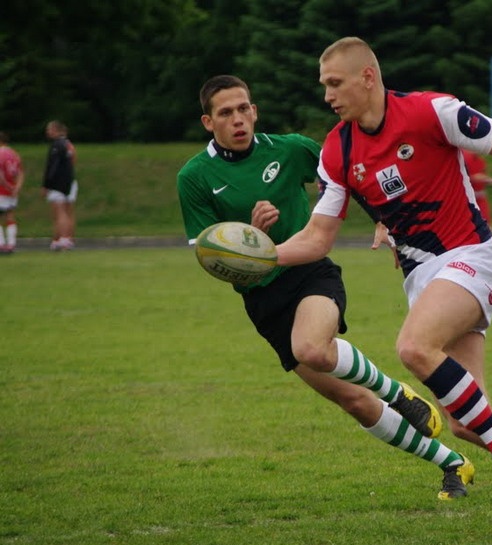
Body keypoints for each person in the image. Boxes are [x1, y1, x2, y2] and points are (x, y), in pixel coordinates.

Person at [272, 37, 492, 530]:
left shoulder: (433, 111)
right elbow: (317, 238)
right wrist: (262, 258)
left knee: (413, 345)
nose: (327, 95)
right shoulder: (338, 149)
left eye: (335, 83)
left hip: (472, 257)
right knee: (466, 420)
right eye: (324, 85)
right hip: (425, 279)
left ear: (367, 77)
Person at [176, 75, 475, 501]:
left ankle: (400, 394)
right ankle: (452, 464)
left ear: (255, 111)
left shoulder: (291, 148)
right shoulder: (195, 176)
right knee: (353, 401)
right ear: (209, 121)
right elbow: (211, 257)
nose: (238, 119)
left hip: (311, 272)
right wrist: (250, 238)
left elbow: (355, 174)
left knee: (313, 348)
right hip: (262, 299)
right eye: (226, 113)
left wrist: (382, 218)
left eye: (244, 108)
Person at [43, 120, 78, 251]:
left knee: (59, 211)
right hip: (70, 180)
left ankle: (62, 239)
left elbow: (53, 166)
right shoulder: (69, 145)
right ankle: (68, 238)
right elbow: (74, 160)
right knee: (69, 211)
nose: (47, 132)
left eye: (49, 129)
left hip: (59, 182)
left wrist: (47, 184)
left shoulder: (57, 145)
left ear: (56, 130)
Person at [462, 149, 492, 227]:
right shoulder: (466, 157)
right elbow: (468, 176)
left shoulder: (480, 161)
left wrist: (487, 181)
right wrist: (488, 180)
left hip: (479, 196)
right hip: (467, 196)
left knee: (485, 220)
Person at [0, 132, 24, 254]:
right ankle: (11, 243)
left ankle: (1, 243)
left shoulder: (0, 154)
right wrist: (16, 188)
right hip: (13, 191)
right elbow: (20, 173)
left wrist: (7, 186)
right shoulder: (14, 154)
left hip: (1, 190)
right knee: (10, 216)